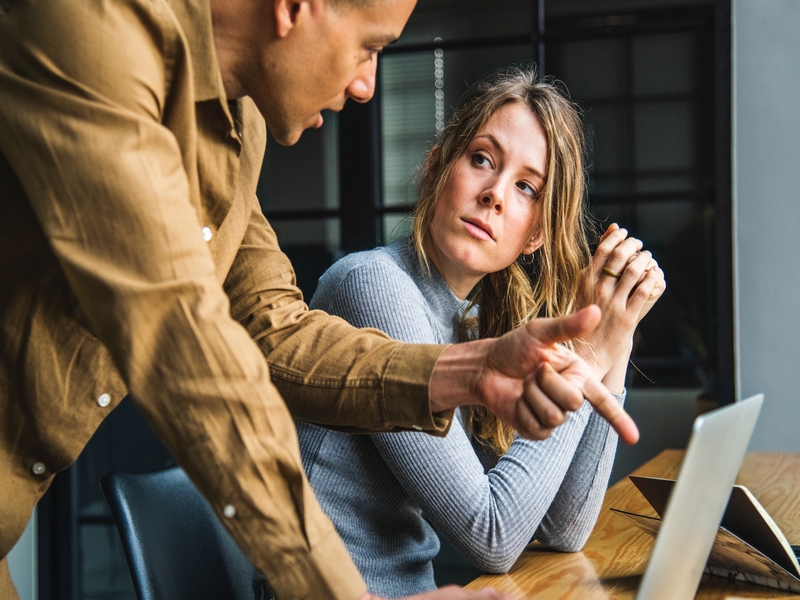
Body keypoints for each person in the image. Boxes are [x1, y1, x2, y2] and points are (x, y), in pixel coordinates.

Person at [0, 1, 635, 599]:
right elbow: (184, 346)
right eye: (369, 46)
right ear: (295, 6)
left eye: (528, 188)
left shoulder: (235, 124)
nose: (366, 84)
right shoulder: (92, 37)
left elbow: (273, 330)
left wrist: (471, 369)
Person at [297, 68, 666, 597]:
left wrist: (617, 334)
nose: (495, 194)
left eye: (525, 187)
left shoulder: (470, 321)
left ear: (536, 233)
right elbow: (492, 536)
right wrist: (587, 351)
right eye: (482, 159)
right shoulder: (372, 286)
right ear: (436, 167)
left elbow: (561, 529)